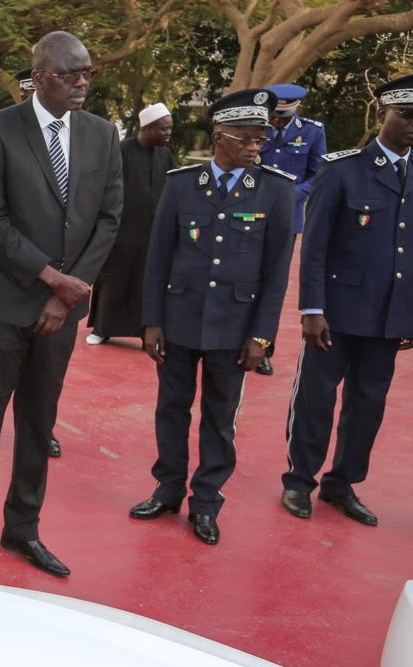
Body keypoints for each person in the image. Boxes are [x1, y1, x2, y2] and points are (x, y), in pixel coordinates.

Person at [0, 31, 123, 584]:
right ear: (40, 74)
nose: (82, 83)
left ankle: (23, 527)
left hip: (61, 310)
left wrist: (69, 292)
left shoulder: (101, 134)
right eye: (70, 74)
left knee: (39, 423)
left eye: (87, 72)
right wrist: (51, 279)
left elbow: (109, 217)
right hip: (1, 303)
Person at [131, 89, 295, 545]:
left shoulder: (276, 190)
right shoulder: (182, 184)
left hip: (234, 326)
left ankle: (206, 502)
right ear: (220, 137)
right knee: (171, 408)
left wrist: (261, 337)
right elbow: (158, 258)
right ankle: (167, 489)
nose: (255, 147)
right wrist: (152, 322)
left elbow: (276, 273)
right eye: (246, 138)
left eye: (260, 139)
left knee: (220, 417)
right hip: (180, 319)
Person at [281, 74, 413, 527]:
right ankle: (299, 480)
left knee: (369, 402)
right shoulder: (342, 169)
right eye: (405, 114)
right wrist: (311, 309)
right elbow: (314, 245)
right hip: (335, 313)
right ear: (382, 114)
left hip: (389, 314)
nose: (412, 124)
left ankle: (343, 483)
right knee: (316, 397)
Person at [86, 102, 177, 346]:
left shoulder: (165, 155)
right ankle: (102, 329)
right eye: (164, 129)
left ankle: (142, 331)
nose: (169, 133)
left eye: (170, 129)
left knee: (144, 283)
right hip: (121, 231)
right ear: (147, 128)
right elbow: (103, 189)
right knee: (113, 279)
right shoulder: (121, 150)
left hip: (152, 234)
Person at [253, 83, 328, 375]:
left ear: (295, 110)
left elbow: (318, 173)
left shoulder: (312, 131)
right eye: (274, 117)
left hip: (288, 219)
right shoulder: (258, 127)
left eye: (282, 118)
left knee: (273, 282)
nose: (276, 123)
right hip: (250, 213)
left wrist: (292, 195)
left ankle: (263, 348)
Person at [15, 63, 64, 461]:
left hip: (60, 286)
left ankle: (42, 429)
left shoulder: (81, 136)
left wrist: (65, 284)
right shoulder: (2, 133)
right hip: (9, 280)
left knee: (47, 377)